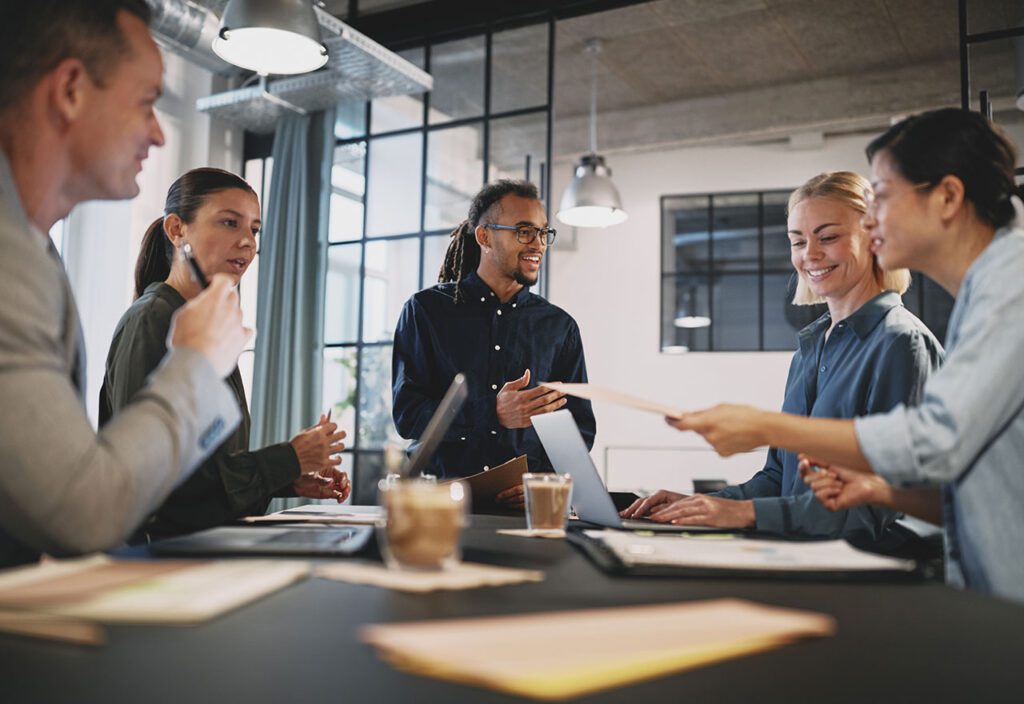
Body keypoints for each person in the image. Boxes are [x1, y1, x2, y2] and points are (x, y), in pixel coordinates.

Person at [672, 108, 1024, 603]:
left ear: (947, 196)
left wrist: (767, 427)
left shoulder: (1009, 288)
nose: (873, 219)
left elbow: (935, 441)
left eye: (881, 197)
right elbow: (973, 484)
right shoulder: (983, 294)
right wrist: (882, 492)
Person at [0, 1, 250, 566]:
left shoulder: (33, 250)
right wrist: (197, 362)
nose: (159, 134)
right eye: (146, 103)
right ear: (70, 90)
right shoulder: (9, 260)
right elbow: (83, 509)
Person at [621, 172, 943, 545]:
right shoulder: (811, 348)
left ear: (874, 238)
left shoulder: (902, 344)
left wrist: (743, 514)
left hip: (876, 579)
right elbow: (778, 479)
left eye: (828, 237)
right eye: (798, 241)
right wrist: (700, 504)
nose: (810, 255)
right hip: (805, 559)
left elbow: (881, 511)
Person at [100, 168, 350, 543]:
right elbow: (166, 492)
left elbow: (209, 478)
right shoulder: (154, 319)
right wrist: (288, 458)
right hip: (160, 564)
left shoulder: (206, 326)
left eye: (254, 229)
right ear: (176, 229)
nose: (248, 242)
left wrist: (289, 478)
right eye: (230, 223)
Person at [392, 180, 596, 502]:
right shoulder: (425, 312)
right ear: (485, 236)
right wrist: (491, 412)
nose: (538, 244)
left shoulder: (561, 328)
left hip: (524, 513)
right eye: (524, 231)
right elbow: (408, 415)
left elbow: (579, 431)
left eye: (543, 233)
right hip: (436, 507)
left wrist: (544, 483)